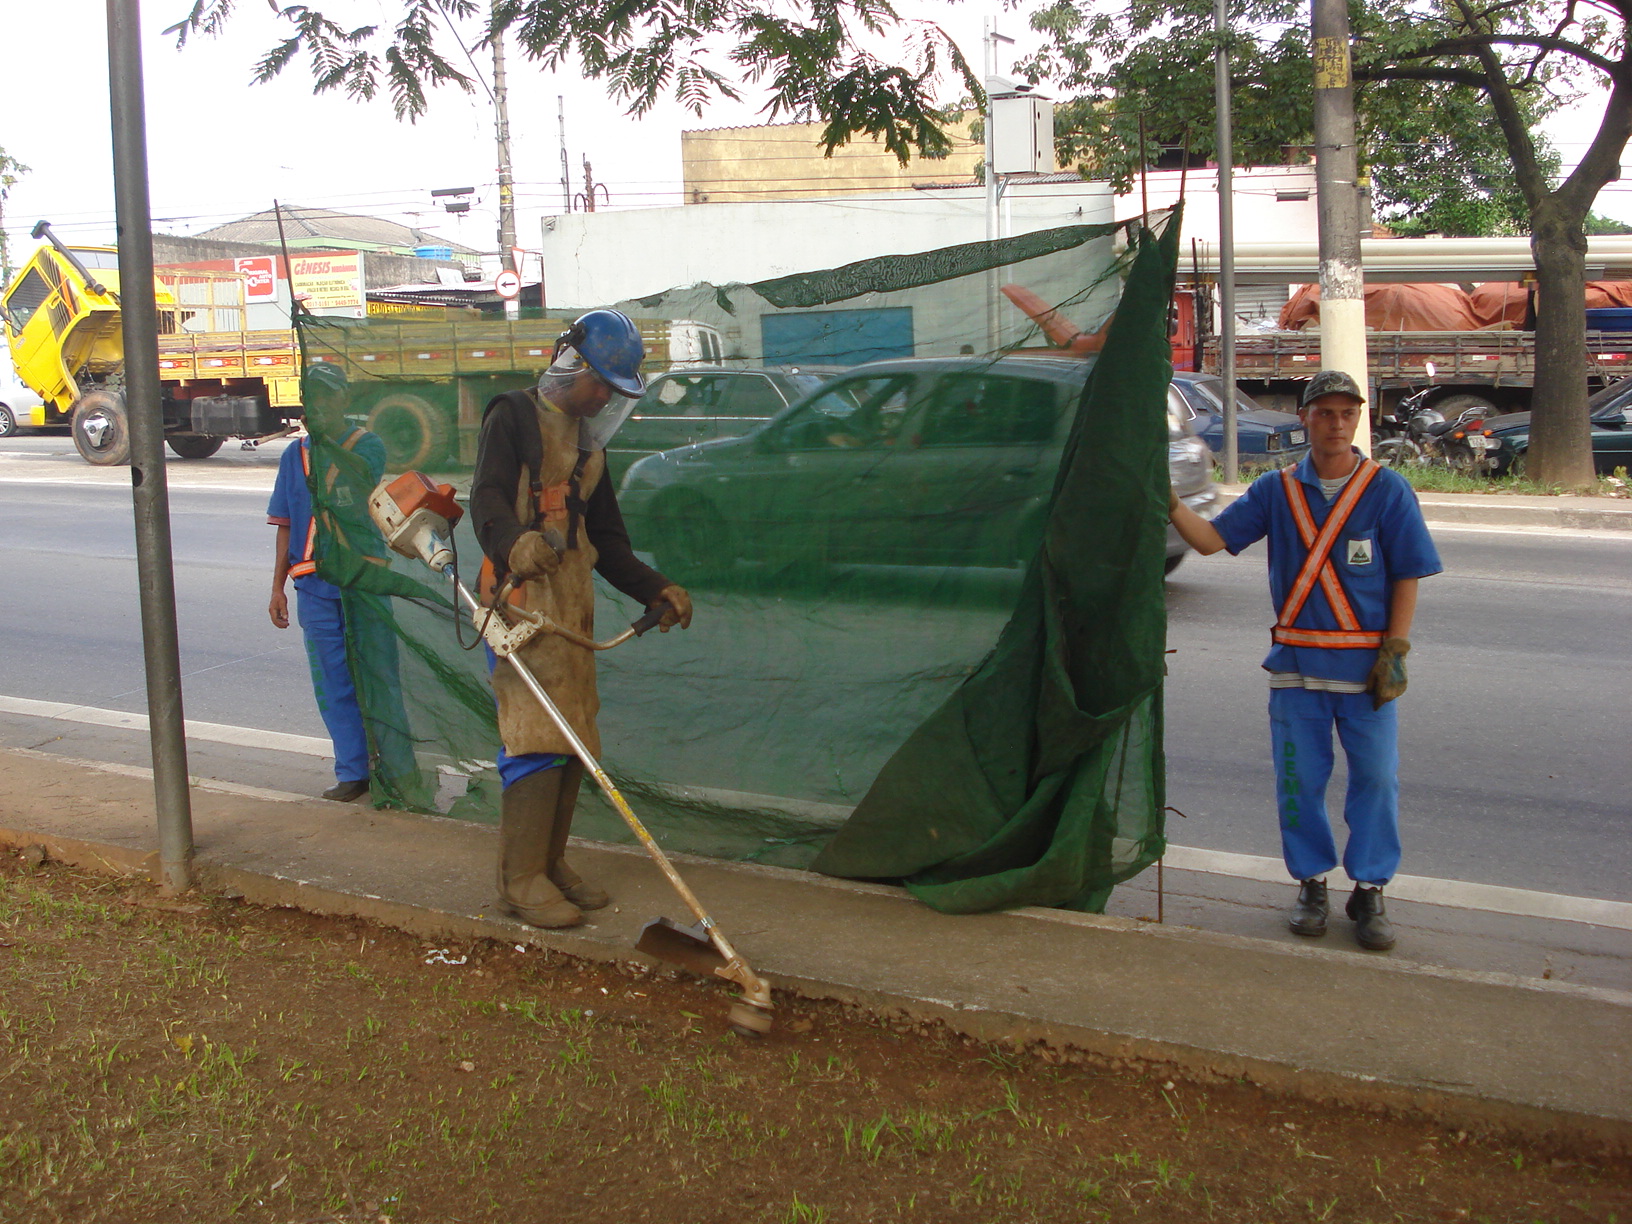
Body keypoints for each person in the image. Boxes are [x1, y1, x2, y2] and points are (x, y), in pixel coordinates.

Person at [1166, 370, 1442, 951]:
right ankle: (1312, 884)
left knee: (1375, 780)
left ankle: (1369, 889)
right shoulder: (1276, 491)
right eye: (1325, 413)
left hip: (1366, 671)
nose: (1336, 424)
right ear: (1305, 419)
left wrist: (1396, 649)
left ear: (1358, 419)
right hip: (1295, 668)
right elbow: (1212, 541)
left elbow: (1408, 572)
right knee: (1300, 782)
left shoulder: (1386, 490)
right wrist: (1166, 501)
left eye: (1346, 414)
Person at [470, 309, 692, 929]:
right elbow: (484, 497)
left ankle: (549, 862)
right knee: (533, 736)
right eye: (601, 385)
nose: (604, 400)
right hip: (518, 602)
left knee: (571, 739)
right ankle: (519, 880)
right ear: (572, 366)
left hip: (570, 608)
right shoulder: (511, 415)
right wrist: (514, 542)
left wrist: (659, 588)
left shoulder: (590, 447)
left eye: (614, 393)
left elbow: (609, 542)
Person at [268, 363, 388, 802]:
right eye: (310, 398)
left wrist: (325, 445)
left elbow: (361, 478)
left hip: (363, 581)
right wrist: (276, 587)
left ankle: (396, 767)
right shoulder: (291, 456)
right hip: (312, 586)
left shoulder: (367, 445)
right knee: (333, 681)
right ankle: (353, 771)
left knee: (378, 676)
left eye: (325, 397)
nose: (315, 406)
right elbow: (284, 524)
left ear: (343, 401)